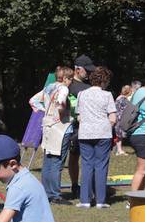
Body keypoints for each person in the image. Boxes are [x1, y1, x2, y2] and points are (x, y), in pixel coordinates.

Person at [31, 66, 74, 205]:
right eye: (70, 79)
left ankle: (46, 192)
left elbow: (33, 101)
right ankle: (55, 194)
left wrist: (45, 111)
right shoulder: (63, 88)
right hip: (60, 128)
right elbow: (61, 102)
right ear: (65, 78)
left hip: (47, 126)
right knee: (57, 162)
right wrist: (61, 112)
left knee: (48, 161)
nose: (71, 82)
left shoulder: (49, 87)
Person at [76, 66, 117, 208]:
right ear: (104, 81)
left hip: (85, 133)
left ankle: (85, 201)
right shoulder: (107, 95)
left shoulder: (81, 94)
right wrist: (107, 126)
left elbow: (79, 116)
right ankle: (100, 201)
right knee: (101, 166)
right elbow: (113, 117)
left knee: (86, 165)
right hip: (103, 133)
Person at [67, 55, 95, 197]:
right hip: (73, 129)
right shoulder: (68, 85)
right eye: (86, 70)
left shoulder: (89, 87)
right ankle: (74, 186)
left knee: (88, 159)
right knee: (73, 157)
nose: (89, 73)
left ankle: (89, 187)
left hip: (88, 127)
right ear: (77, 70)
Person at [113, 84, 134, 156]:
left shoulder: (119, 98)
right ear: (128, 91)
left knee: (119, 135)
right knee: (119, 135)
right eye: (131, 91)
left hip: (118, 118)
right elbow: (127, 109)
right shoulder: (123, 99)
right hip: (120, 119)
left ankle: (119, 150)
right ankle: (119, 150)